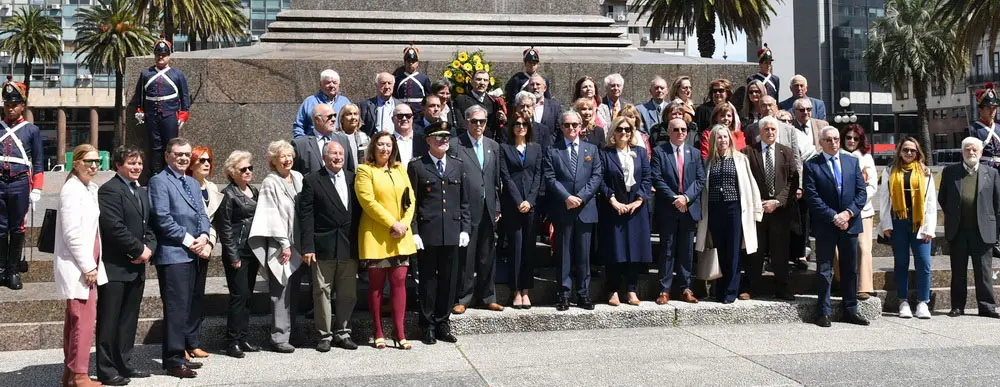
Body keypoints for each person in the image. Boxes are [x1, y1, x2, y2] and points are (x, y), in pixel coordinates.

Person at [149, 137, 210, 378]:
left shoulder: (193, 183)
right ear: (167, 156)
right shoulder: (159, 182)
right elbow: (162, 218)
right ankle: (173, 360)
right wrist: (189, 241)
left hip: (194, 252)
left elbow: (202, 214)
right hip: (174, 254)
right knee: (175, 309)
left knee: (187, 307)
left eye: (186, 154)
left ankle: (183, 349)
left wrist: (204, 236)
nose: (183, 158)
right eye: (178, 154)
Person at [96, 146, 155, 385]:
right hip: (116, 267)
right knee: (109, 321)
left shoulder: (141, 192)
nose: (137, 167)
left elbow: (148, 226)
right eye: (131, 163)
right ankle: (107, 369)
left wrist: (149, 249)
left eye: (139, 163)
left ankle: (125, 363)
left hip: (137, 267)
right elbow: (113, 227)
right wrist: (138, 249)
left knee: (129, 320)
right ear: (118, 165)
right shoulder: (109, 190)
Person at [408, 121, 470, 345]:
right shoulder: (417, 166)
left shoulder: (457, 165)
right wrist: (414, 232)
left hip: (452, 231)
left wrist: (465, 228)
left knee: (448, 280)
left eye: (446, 137)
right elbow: (411, 203)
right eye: (438, 137)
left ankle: (443, 322)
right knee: (427, 281)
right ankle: (427, 325)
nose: (443, 140)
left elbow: (464, 201)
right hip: (428, 233)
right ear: (428, 140)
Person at [802, 126, 869, 327]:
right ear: (821, 143)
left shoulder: (852, 162)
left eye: (836, 139)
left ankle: (851, 309)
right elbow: (812, 197)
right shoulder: (812, 165)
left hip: (850, 223)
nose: (834, 143)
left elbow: (861, 193)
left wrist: (848, 213)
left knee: (850, 269)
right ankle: (824, 311)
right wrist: (834, 216)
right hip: (826, 225)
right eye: (829, 140)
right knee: (824, 269)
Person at [356, 132, 417, 349]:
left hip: (400, 236)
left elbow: (411, 200)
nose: (385, 149)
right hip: (377, 236)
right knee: (376, 287)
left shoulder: (400, 169)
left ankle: (400, 334)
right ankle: (378, 331)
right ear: (373, 147)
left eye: (389, 145)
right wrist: (393, 224)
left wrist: (404, 225)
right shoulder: (365, 170)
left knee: (399, 284)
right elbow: (368, 202)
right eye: (380, 145)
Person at [299, 141, 360, 352]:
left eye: (340, 154)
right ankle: (324, 335)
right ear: (324, 157)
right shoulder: (312, 180)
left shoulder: (354, 178)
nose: (337, 157)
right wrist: (308, 246)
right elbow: (306, 216)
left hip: (348, 245)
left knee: (347, 293)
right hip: (322, 246)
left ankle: (343, 333)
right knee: (321, 292)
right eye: (333, 153)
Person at [56, 144, 107, 387]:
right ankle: (79, 374)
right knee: (83, 321)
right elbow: (72, 234)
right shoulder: (71, 190)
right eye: (88, 161)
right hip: (79, 267)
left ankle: (71, 373)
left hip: (88, 264)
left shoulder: (89, 188)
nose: (94, 166)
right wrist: (88, 266)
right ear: (75, 163)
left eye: (98, 161)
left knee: (77, 319)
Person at [248, 140, 305, 354]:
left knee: (295, 291)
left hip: (298, 244)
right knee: (280, 291)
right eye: (282, 156)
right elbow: (271, 215)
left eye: (290, 155)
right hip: (280, 245)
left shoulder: (298, 177)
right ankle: (279, 336)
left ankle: (292, 331)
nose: (288, 159)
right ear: (274, 160)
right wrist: (284, 244)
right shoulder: (270, 182)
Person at [694, 125, 761, 304]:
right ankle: (720, 289)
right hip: (715, 210)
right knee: (720, 250)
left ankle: (731, 291)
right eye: (719, 137)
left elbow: (750, 185)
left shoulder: (740, 159)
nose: (723, 140)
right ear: (714, 141)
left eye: (725, 137)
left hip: (734, 210)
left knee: (733, 251)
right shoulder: (708, 162)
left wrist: (756, 209)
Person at [544, 111, 603, 311]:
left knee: (584, 255)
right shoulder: (553, 150)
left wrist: (581, 197)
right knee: (564, 254)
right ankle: (564, 294)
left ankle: (583, 294)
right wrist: (567, 197)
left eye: (575, 125)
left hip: (585, 208)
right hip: (563, 207)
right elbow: (550, 178)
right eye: (567, 125)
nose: (571, 128)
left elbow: (596, 176)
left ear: (581, 127)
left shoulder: (592, 149)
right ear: (561, 127)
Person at [938, 137, 1000, 318]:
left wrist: (996, 231)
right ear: (962, 152)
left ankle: (987, 307)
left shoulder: (992, 173)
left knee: (984, 273)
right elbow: (943, 199)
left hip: (983, 231)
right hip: (958, 231)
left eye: (974, 150)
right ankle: (957, 306)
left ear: (981, 153)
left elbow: (997, 204)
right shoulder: (950, 172)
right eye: (967, 149)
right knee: (958, 272)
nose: (971, 153)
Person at [450, 106, 503, 314]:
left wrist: (497, 205)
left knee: (487, 254)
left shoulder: (493, 146)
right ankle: (463, 297)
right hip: (465, 209)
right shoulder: (455, 145)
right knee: (466, 256)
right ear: (466, 122)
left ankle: (488, 296)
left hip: (489, 208)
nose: (478, 125)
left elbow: (495, 180)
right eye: (474, 121)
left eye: (482, 121)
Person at [878, 137, 937, 319]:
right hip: (898, 222)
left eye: (912, 150)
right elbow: (885, 199)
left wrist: (929, 227)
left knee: (924, 262)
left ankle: (922, 302)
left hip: (920, 222)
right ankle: (903, 301)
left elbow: (930, 202)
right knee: (901, 262)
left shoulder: (925, 172)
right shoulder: (890, 171)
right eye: (905, 150)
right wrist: (886, 224)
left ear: (918, 152)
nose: (909, 153)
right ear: (899, 152)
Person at [741, 117, 798, 300]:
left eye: (773, 129)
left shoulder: (787, 152)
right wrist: (758, 202)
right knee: (755, 251)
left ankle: (783, 287)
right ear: (760, 131)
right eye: (766, 129)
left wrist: (778, 202)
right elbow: (744, 181)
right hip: (757, 210)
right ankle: (751, 287)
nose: (770, 132)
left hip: (780, 211)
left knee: (780, 252)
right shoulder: (748, 152)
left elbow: (792, 181)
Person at [598, 116, 652, 306]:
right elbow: (601, 180)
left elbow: (647, 178)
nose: (624, 133)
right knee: (615, 250)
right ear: (614, 131)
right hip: (614, 207)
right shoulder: (606, 153)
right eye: (620, 129)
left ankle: (631, 289)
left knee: (634, 250)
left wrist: (638, 201)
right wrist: (612, 200)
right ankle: (612, 289)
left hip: (635, 207)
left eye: (628, 130)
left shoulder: (640, 152)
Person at [651, 118, 704, 304]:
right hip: (669, 208)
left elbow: (700, 180)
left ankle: (685, 288)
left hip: (689, 209)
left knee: (686, 250)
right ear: (668, 131)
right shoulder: (659, 152)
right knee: (667, 249)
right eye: (676, 129)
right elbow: (656, 179)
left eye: (684, 129)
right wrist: (676, 199)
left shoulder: (695, 153)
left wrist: (686, 198)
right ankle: (664, 290)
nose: (680, 132)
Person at [215, 150, 261, 358]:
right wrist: (233, 256)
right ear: (232, 173)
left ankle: (243, 338)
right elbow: (224, 228)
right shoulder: (228, 194)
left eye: (250, 168)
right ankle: (231, 341)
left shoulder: (254, 191)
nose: (248, 171)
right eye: (243, 169)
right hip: (238, 251)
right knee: (238, 296)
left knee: (248, 296)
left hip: (253, 249)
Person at [0, 77, 43, 290]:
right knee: (0, 227)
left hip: (19, 182)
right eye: (7, 104)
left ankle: (13, 270)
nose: (10, 108)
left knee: (17, 227)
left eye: (14, 104)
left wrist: (38, 188)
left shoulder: (31, 131)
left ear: (22, 106)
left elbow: (39, 162)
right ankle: (1, 269)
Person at [499, 115, 544, 309]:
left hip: (531, 205)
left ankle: (527, 290)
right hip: (512, 204)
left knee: (529, 248)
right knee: (516, 247)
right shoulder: (505, 148)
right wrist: (519, 201)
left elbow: (538, 175)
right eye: (516, 123)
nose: (520, 127)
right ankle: (516, 290)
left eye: (524, 124)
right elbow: (506, 177)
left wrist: (530, 201)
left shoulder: (536, 148)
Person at [183, 145, 222, 361]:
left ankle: (194, 342)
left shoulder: (212, 187)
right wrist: (195, 243)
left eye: (209, 160)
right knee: (183, 299)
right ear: (192, 163)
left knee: (197, 297)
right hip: (186, 248)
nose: (206, 164)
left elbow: (213, 221)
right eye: (201, 160)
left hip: (205, 249)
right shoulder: (184, 186)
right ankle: (180, 344)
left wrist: (209, 242)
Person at [131, 39, 190, 172]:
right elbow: (140, 94)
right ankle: (155, 173)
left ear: (169, 56)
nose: (160, 57)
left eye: (164, 54)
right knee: (154, 146)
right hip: (151, 115)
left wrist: (184, 114)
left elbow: (184, 96)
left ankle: (170, 172)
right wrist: (139, 110)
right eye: (158, 54)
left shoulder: (177, 75)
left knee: (171, 146)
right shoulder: (146, 74)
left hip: (170, 114)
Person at [842, 125, 877, 299]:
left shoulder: (866, 158)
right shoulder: (837, 156)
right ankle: (842, 283)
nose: (851, 141)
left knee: (863, 248)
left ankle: (864, 286)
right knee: (838, 250)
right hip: (841, 212)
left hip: (862, 211)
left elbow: (872, 186)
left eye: (856, 138)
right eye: (848, 137)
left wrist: (856, 205)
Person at [293, 103, 355, 175]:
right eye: (329, 116)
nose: (334, 119)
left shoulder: (343, 140)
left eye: (334, 115)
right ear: (317, 119)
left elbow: (350, 170)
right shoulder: (300, 145)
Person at [293, 69, 350, 138]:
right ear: (320, 84)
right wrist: (302, 143)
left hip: (338, 145)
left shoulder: (345, 102)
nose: (331, 85)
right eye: (328, 82)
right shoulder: (309, 102)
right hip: (313, 144)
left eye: (335, 83)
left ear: (339, 85)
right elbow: (299, 125)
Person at [454, 70, 506, 138]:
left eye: (485, 80)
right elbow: (460, 124)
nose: (482, 83)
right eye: (478, 79)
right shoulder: (461, 100)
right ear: (471, 81)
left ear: (488, 83)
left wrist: (503, 120)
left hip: (488, 142)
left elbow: (495, 127)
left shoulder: (494, 102)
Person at [967, 82, 1000, 166]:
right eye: (988, 108)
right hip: (984, 171)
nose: (992, 111)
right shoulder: (972, 129)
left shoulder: (998, 127)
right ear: (980, 110)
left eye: (994, 108)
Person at [394, 45, 431, 116]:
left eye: (413, 61)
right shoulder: (398, 79)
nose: (410, 63)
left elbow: (428, 97)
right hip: (401, 113)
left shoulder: (424, 79)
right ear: (404, 62)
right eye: (408, 61)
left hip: (419, 113)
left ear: (417, 63)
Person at [392, 103, 428, 168]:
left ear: (412, 118)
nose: (404, 119)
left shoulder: (424, 140)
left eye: (408, 115)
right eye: (400, 116)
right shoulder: (388, 142)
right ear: (392, 119)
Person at [336, 103, 370, 171]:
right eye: (349, 114)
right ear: (342, 118)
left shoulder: (364, 138)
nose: (353, 117)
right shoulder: (336, 138)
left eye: (355, 114)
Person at [529, 74, 562, 141]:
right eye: (532, 84)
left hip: (550, 148)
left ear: (545, 88)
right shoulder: (524, 107)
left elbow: (559, 130)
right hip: (530, 147)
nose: (535, 87)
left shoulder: (555, 107)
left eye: (538, 84)